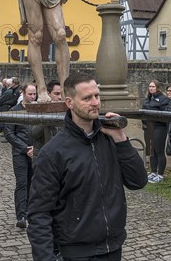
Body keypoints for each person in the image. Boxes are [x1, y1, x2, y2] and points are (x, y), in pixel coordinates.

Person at [27, 73, 148, 260]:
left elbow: (138, 181)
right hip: (77, 253)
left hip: (114, 247)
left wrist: (121, 139)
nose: (95, 103)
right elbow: (39, 213)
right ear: (69, 102)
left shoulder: (111, 140)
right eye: (87, 98)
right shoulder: (53, 152)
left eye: (97, 96)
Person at [2, 83, 37, 229]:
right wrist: (25, 148)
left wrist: (36, 148)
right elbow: (9, 133)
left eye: (34, 94)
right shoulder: (14, 111)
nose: (33, 97)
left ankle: (32, 212)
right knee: (22, 183)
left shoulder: (38, 110)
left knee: (34, 183)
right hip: (20, 153)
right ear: (22, 93)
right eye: (30, 94)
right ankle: (21, 215)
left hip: (36, 151)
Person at [142, 80, 171, 184]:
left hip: (159, 127)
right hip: (148, 127)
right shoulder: (147, 99)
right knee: (151, 151)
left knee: (159, 151)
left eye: (153, 86)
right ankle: (153, 172)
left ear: (158, 88)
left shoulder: (164, 99)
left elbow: (165, 114)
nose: (151, 88)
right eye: (150, 86)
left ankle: (160, 174)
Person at [30, 79, 63, 156]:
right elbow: (34, 133)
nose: (60, 97)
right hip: (42, 156)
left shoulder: (67, 111)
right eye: (57, 94)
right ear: (48, 94)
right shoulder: (38, 110)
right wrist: (48, 114)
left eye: (62, 94)